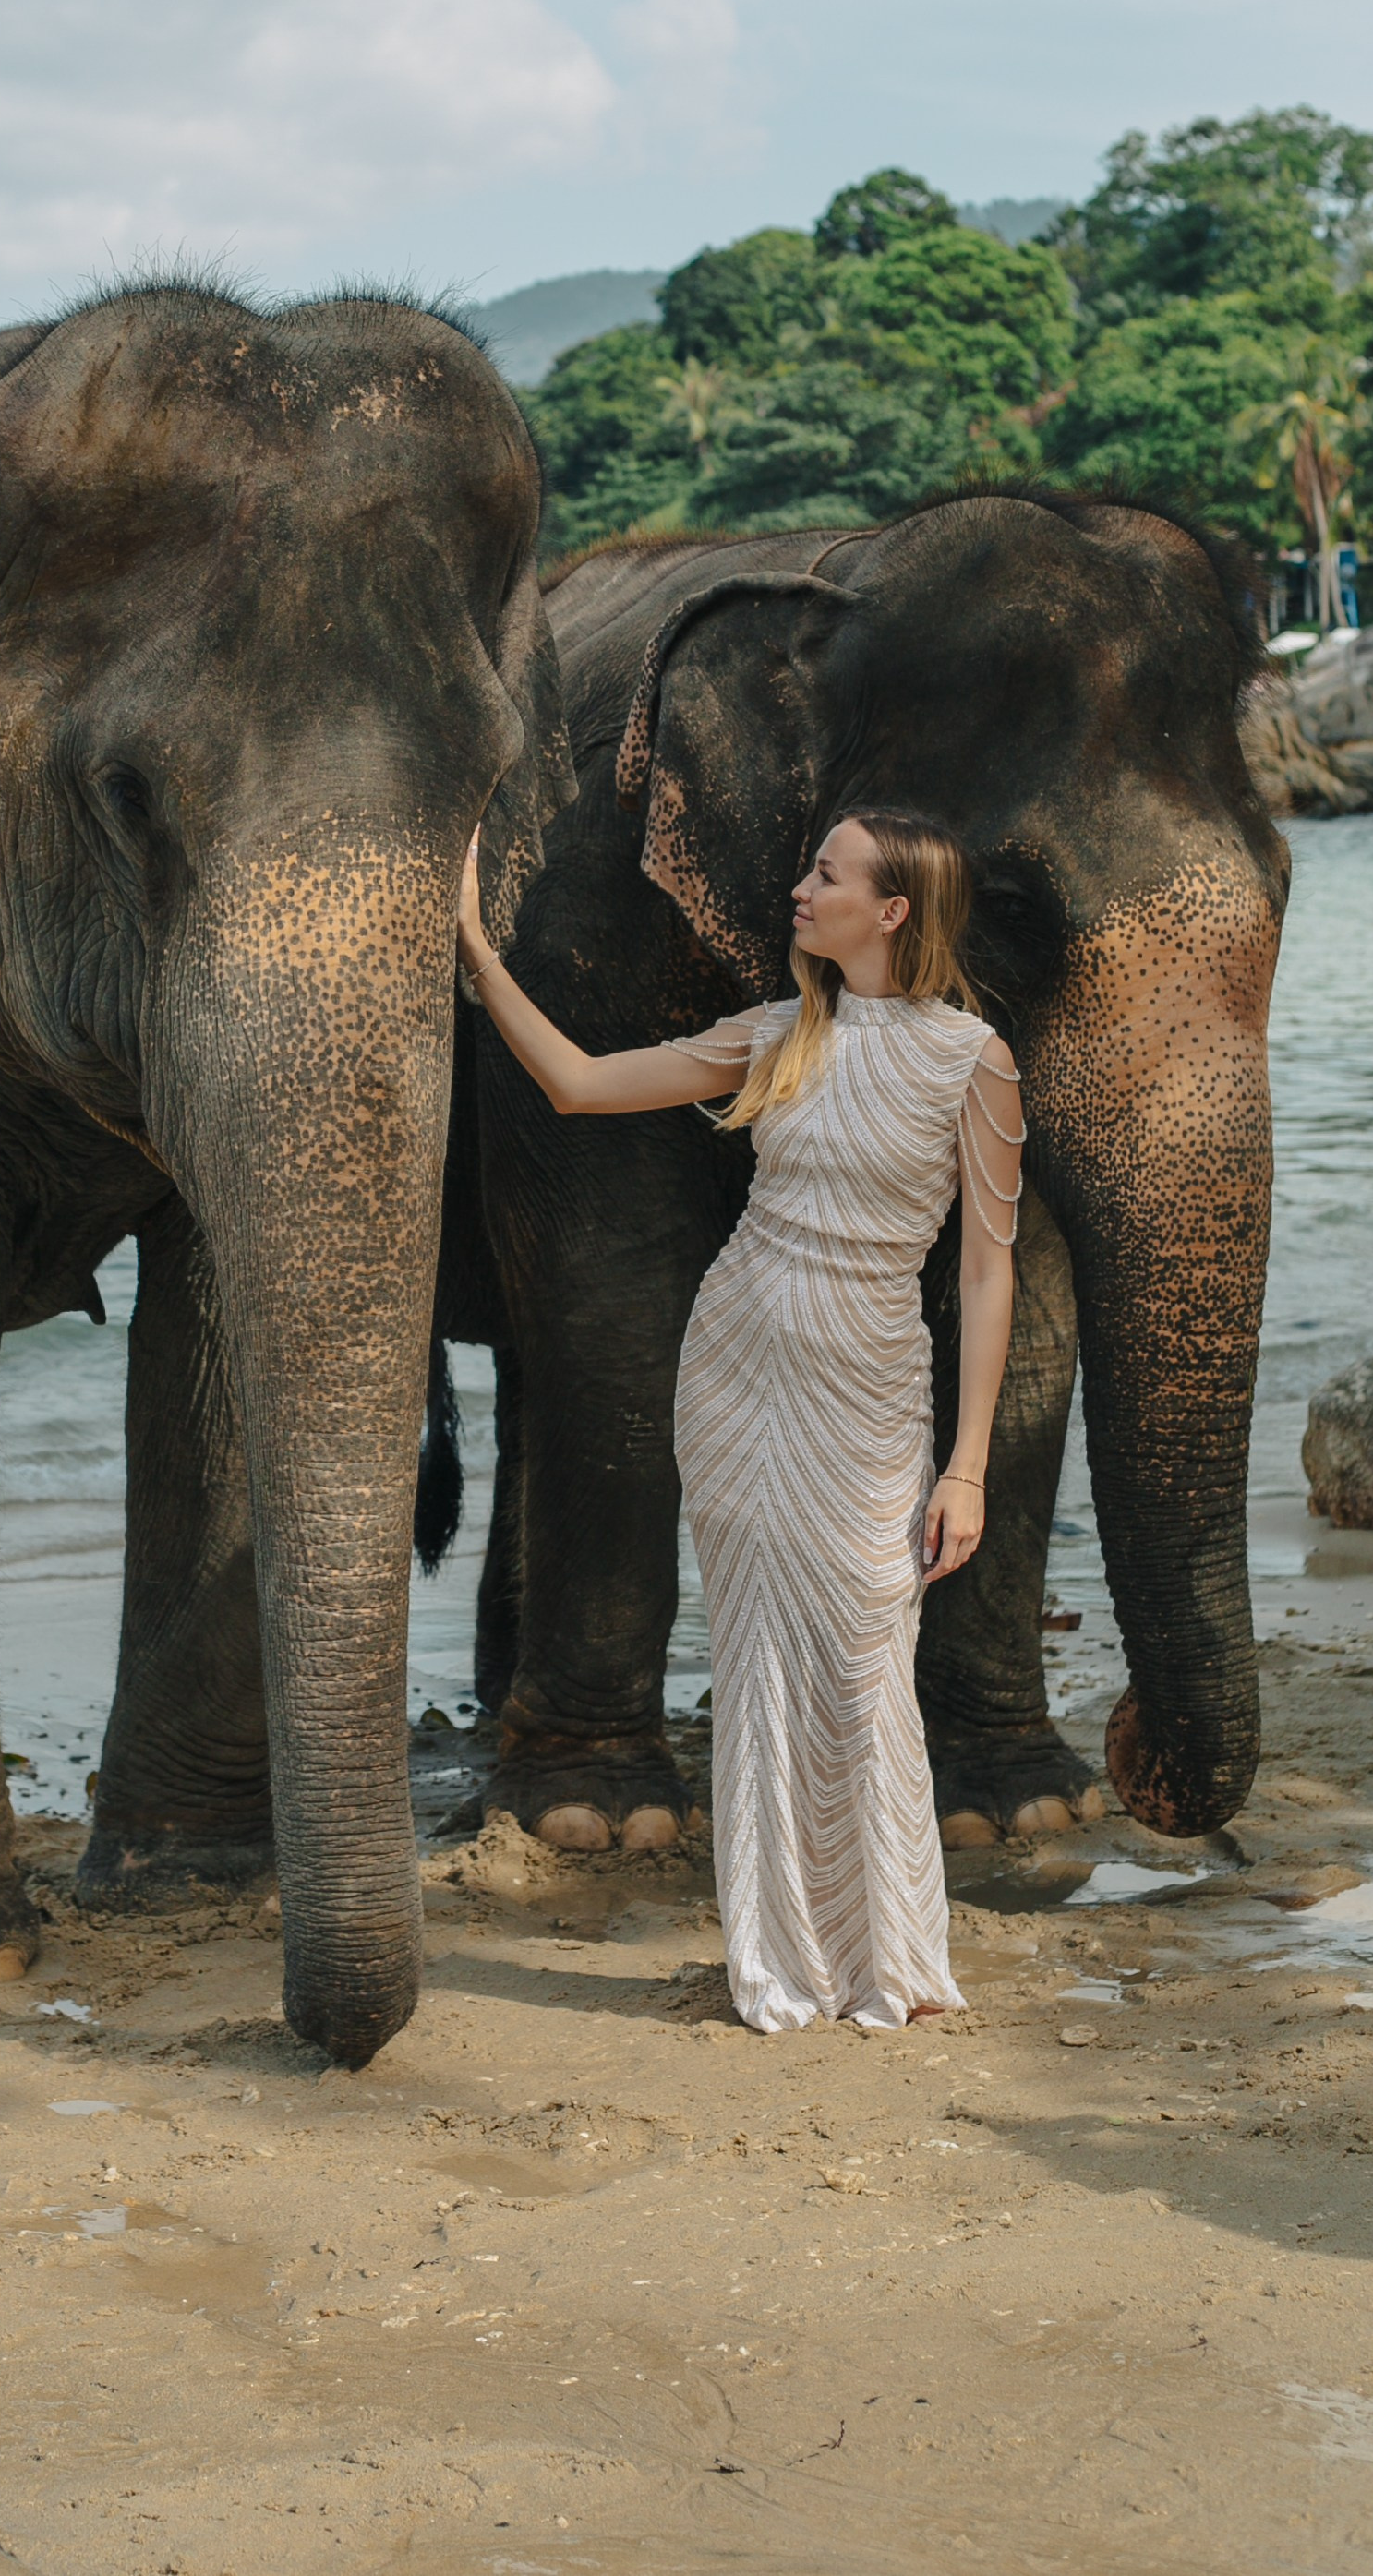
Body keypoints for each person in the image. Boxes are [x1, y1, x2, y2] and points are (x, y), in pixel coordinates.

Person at [456, 808, 1023, 2032]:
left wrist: (967, 1464)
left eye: (829, 872)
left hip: (872, 1389)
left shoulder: (976, 1058)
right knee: (760, 1658)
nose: (800, 885)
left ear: (892, 910)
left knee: (870, 1653)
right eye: (811, 866)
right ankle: (781, 1962)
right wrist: (477, 955)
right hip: (737, 1375)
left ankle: (891, 1959)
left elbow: (989, 1271)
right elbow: (580, 1084)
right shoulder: (778, 1035)